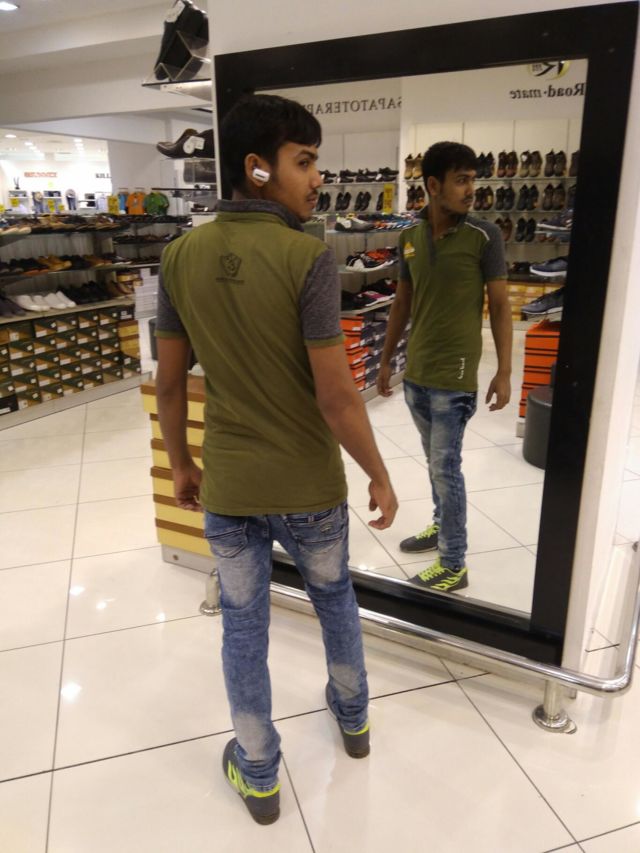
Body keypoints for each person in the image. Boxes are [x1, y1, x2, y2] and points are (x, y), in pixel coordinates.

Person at [154, 94, 398, 826]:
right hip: (309, 485)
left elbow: (171, 381)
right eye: (305, 161)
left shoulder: (179, 256)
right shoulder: (307, 256)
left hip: (230, 485)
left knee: (243, 624)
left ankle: (258, 771)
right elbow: (336, 395)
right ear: (257, 168)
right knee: (334, 599)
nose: (319, 178)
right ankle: (353, 717)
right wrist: (378, 471)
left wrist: (181, 463)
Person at [377, 141, 512, 593]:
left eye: (472, 180)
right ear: (433, 186)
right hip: (416, 373)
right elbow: (402, 303)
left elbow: (500, 306)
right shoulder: (409, 238)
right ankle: (442, 526)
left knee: (445, 468)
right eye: (461, 180)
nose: (471, 189)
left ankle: (453, 563)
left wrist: (504, 371)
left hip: (455, 377)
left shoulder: (484, 236)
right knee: (436, 465)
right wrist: (385, 361)